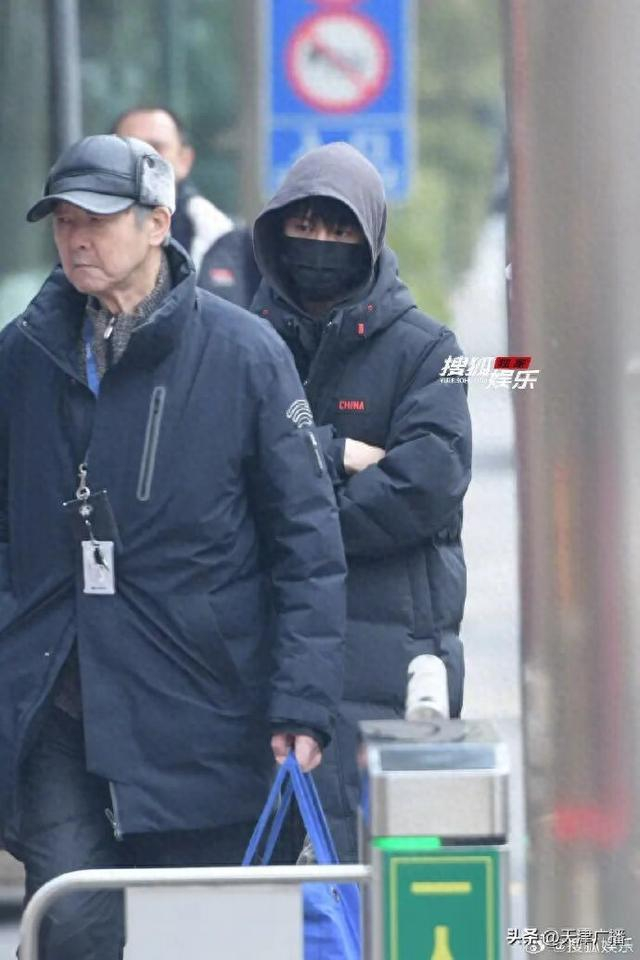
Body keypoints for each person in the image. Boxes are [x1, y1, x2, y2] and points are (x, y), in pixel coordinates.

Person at [0, 134, 346, 959]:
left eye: (97, 220)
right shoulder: (24, 354)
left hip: (203, 707)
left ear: (158, 223)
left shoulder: (245, 353)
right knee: (72, 925)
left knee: (204, 938)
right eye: (64, 222)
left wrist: (301, 702)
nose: (77, 239)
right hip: (60, 702)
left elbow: (306, 541)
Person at [251, 142, 472, 862]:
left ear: (371, 237)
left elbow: (424, 484)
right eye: (305, 226)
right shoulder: (242, 342)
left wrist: (290, 520)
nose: (320, 244)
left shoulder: (429, 351)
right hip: (262, 660)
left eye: (340, 230)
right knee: (258, 886)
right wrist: (337, 451)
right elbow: (223, 466)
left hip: (393, 660)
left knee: (380, 873)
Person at [112, 107, 259, 309]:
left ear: (185, 160)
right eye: (131, 149)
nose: (143, 159)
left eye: (156, 148)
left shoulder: (234, 243)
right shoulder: (84, 237)